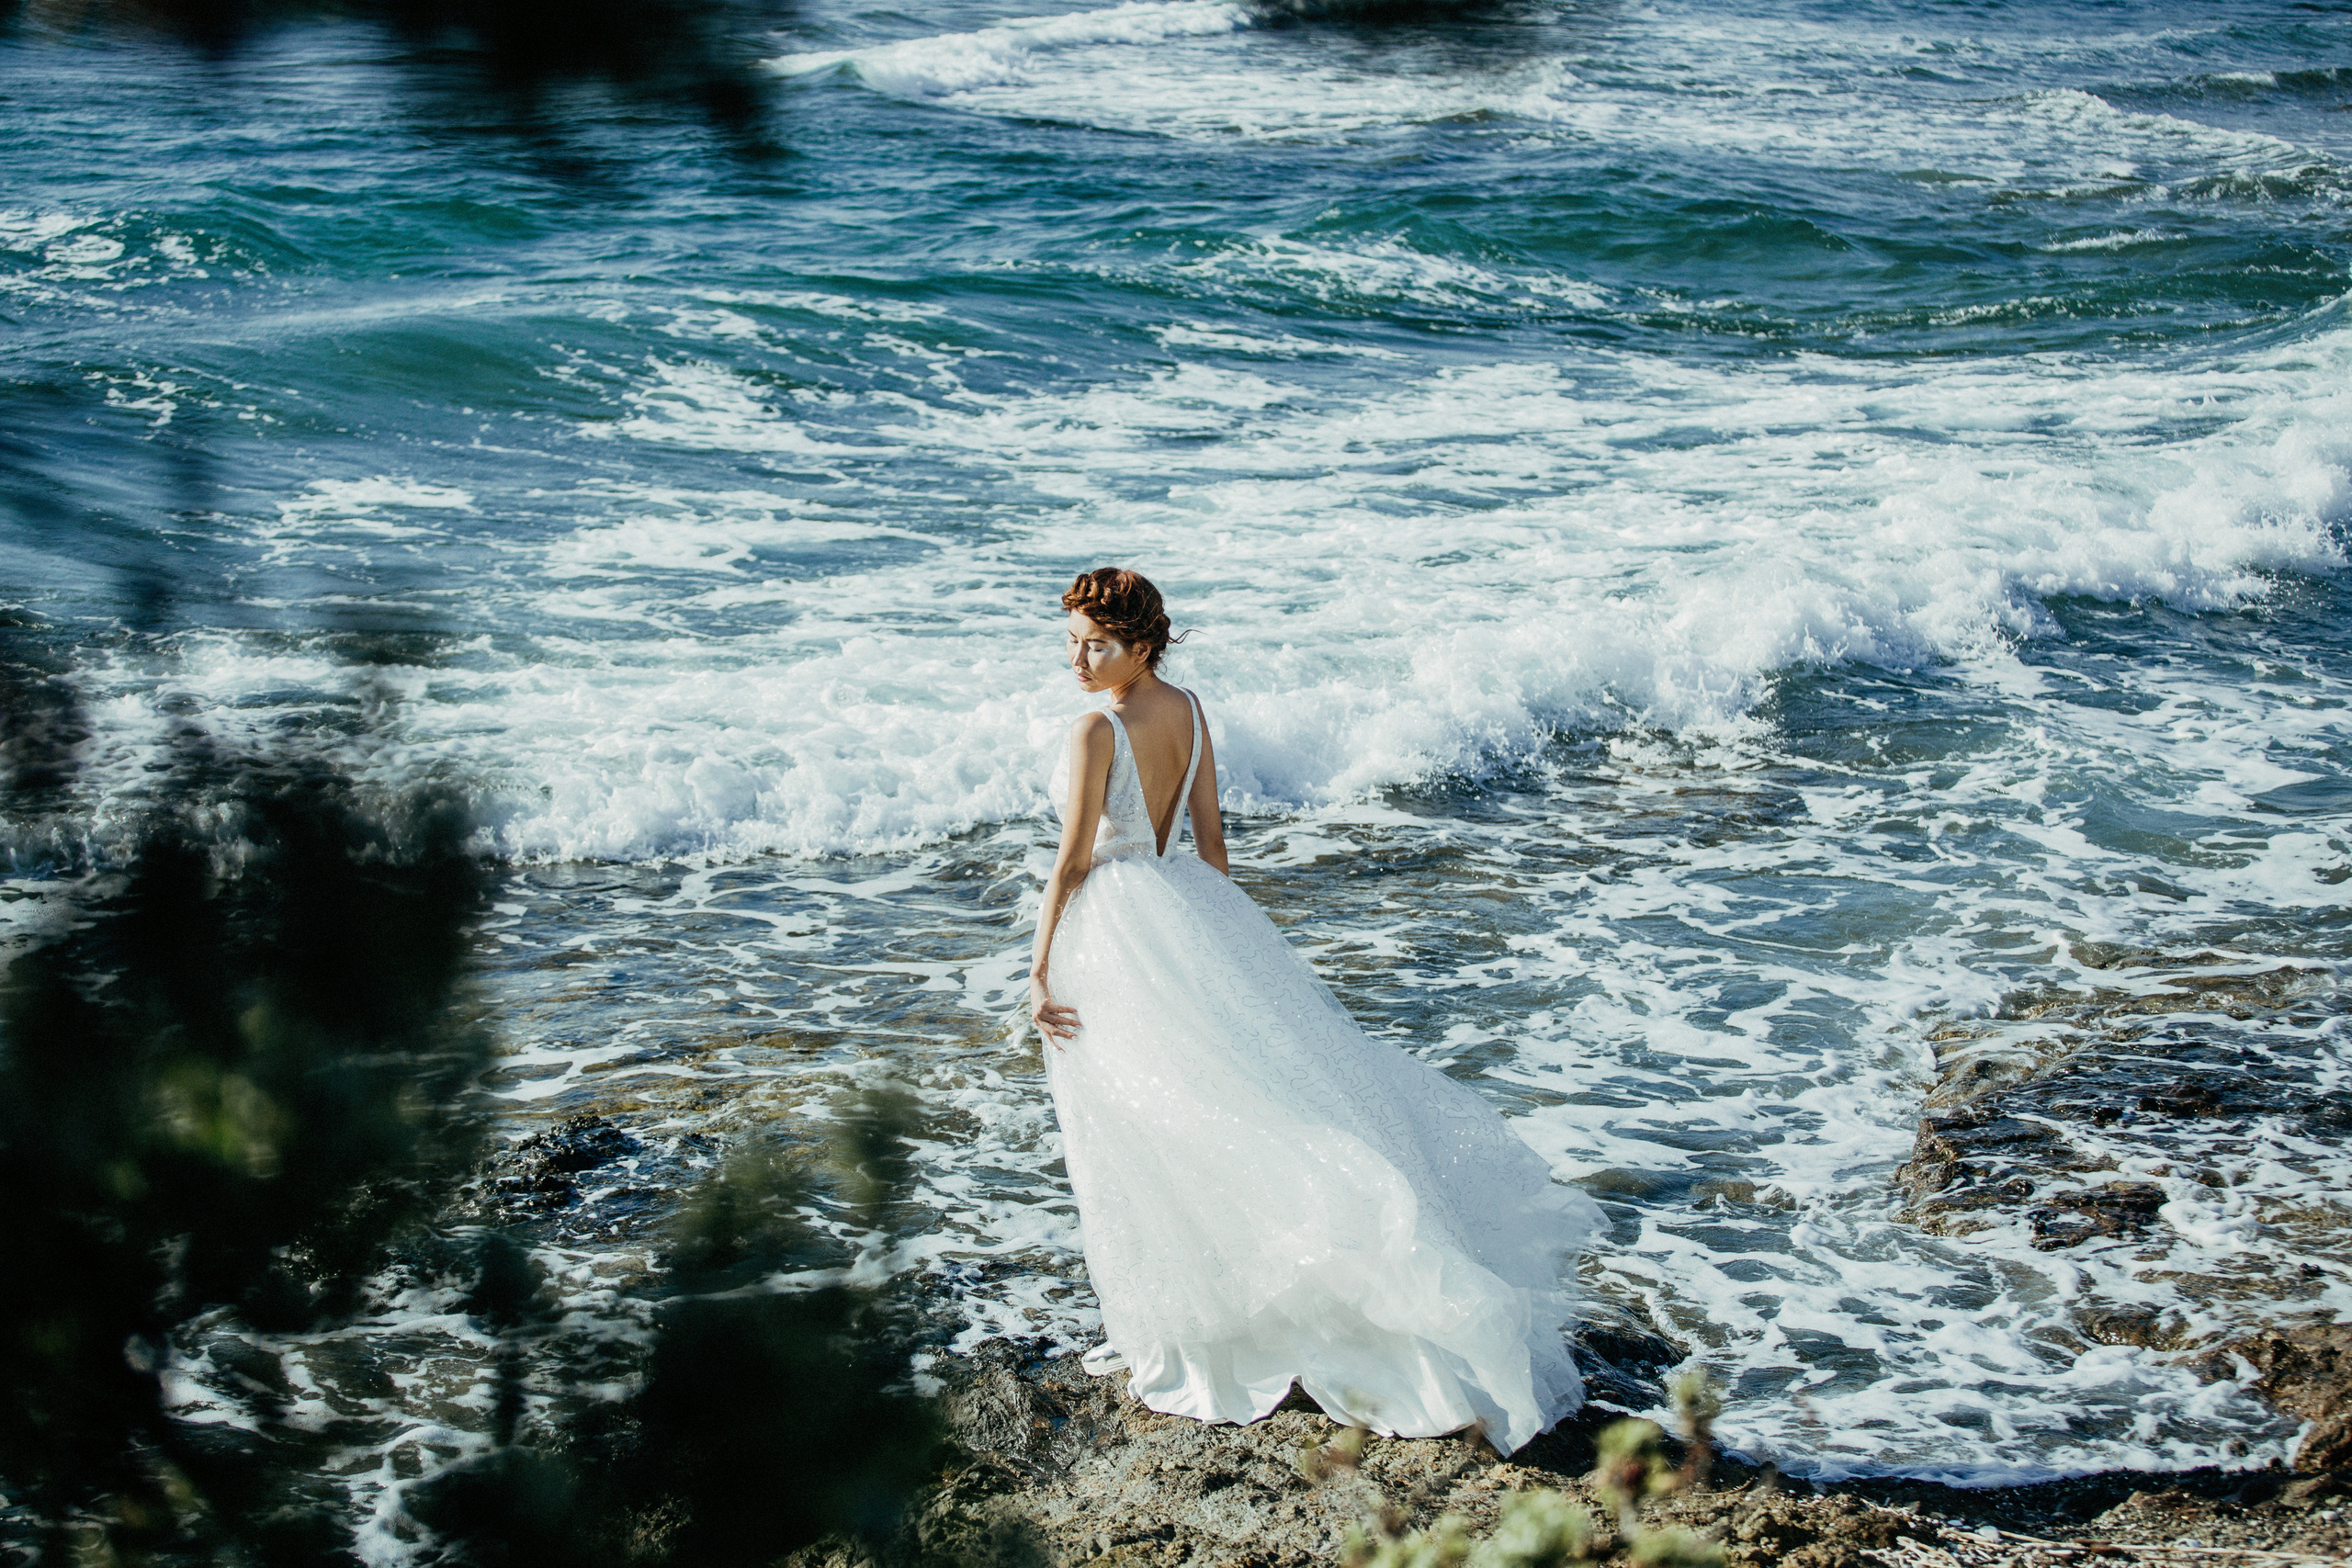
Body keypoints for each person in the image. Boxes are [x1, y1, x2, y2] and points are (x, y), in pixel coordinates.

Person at [1028, 566, 1603, 1454]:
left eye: (1095, 643)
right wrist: (1224, 955)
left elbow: (1071, 864)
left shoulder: (1094, 728)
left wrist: (1038, 971)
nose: (1077, 658)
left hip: (1118, 930)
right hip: (1190, 912)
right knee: (1238, 1107)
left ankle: (1208, 1326)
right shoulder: (1190, 710)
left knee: (1159, 1123)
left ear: (1141, 645)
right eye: (1070, 640)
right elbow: (1211, 846)